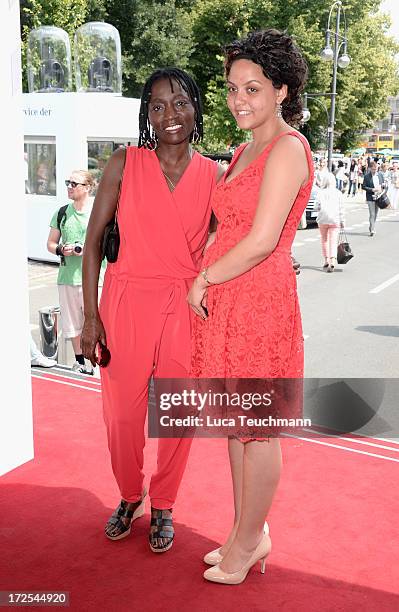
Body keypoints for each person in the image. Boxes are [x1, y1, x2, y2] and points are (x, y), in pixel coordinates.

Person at [188, 29, 313, 584]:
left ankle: (249, 542)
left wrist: (204, 277)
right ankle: (246, 531)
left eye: (253, 89)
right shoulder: (243, 148)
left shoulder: (288, 147)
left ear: (282, 91)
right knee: (238, 427)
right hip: (231, 299)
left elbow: (263, 238)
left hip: (261, 300)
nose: (240, 100)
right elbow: (227, 223)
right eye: (234, 88)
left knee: (257, 428)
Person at [81, 68, 220, 552]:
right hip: (123, 302)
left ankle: (163, 502)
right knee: (121, 415)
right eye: (157, 106)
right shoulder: (125, 163)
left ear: (196, 107)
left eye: (179, 102)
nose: (170, 115)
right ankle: (128, 493)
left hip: (185, 306)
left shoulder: (214, 175)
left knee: (178, 414)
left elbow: (228, 247)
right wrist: (89, 317)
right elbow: (92, 242)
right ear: (147, 115)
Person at [47, 170, 101, 374]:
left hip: (95, 278)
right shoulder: (61, 212)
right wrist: (62, 249)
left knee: (96, 321)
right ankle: (81, 363)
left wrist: (89, 249)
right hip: (68, 276)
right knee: (72, 324)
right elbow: (50, 244)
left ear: (87, 187)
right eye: (67, 182)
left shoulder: (98, 211)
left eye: (74, 183)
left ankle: (99, 363)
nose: (69, 186)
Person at [315, 172, 345, 272]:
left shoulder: (320, 192)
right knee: (333, 240)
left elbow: (316, 207)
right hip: (335, 219)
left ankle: (326, 260)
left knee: (324, 240)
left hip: (322, 219)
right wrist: (343, 221)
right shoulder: (338, 193)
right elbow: (341, 209)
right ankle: (332, 260)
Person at [362, 160, 386, 236]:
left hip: (378, 196)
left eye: (375, 169)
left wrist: (382, 188)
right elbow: (363, 186)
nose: (374, 171)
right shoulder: (366, 176)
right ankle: (372, 229)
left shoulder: (380, 175)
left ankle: (371, 226)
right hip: (370, 197)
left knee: (375, 214)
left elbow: (383, 185)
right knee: (372, 214)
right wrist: (372, 189)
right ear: (370, 168)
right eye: (373, 169)